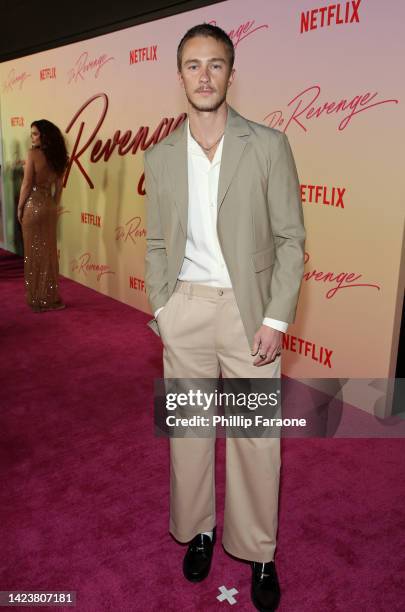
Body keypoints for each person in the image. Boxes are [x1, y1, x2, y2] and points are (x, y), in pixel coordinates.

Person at [144, 23, 305, 611]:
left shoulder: (267, 145)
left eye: (216, 65)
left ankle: (260, 551)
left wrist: (276, 320)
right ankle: (200, 531)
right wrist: (163, 308)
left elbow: (291, 240)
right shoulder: (160, 156)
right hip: (184, 310)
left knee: (255, 439)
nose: (204, 75)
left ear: (232, 75)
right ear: (180, 75)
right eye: (193, 65)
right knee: (187, 434)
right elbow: (157, 242)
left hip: (249, 318)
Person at [17, 120, 68, 312]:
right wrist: (53, 204)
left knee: (33, 253)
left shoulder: (32, 154)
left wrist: (20, 207)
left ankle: (38, 299)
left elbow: (27, 184)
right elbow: (60, 187)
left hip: (33, 206)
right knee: (48, 253)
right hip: (49, 207)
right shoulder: (60, 156)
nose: (32, 137)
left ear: (45, 135)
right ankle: (51, 298)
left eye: (35, 134)